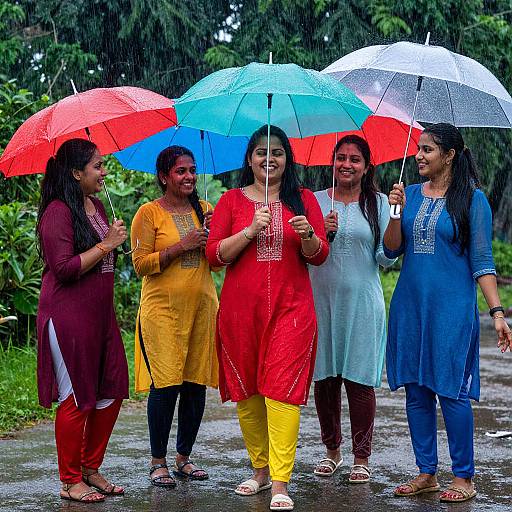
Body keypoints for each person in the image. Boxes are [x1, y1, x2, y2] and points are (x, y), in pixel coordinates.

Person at [384, 123, 512, 503]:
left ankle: (464, 478)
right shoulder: (407, 194)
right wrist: (394, 212)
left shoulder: (473, 200)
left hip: (452, 309)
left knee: (451, 391)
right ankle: (426, 473)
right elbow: (391, 252)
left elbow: (483, 261)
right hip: (410, 306)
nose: (419, 156)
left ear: (450, 155)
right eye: (418, 149)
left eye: (428, 150)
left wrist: (498, 313)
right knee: (416, 391)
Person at [205, 125, 329, 511]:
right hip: (241, 314)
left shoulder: (303, 199)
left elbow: (319, 254)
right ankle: (259, 470)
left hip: (292, 311)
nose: (269, 159)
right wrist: (248, 231)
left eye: (277, 152)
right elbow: (214, 257)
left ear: (287, 159)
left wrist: (308, 233)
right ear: (250, 159)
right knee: (248, 393)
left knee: (281, 392)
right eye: (262, 152)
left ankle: (280, 482)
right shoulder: (230, 202)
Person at [36, 138, 129, 503]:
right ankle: (70, 478)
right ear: (76, 173)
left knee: (111, 391)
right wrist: (107, 244)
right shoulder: (58, 211)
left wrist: (114, 241)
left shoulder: (96, 206)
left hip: (101, 316)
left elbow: (102, 255)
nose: (103, 173)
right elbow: (63, 268)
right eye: (97, 166)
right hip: (68, 314)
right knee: (77, 397)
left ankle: (91, 467)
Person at [309, 135, 396, 483]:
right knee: (325, 378)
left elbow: (386, 257)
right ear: (332, 162)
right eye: (341, 158)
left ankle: (362, 457)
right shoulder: (313, 202)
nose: (347, 164)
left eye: (355, 159)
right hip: (320, 301)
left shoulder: (378, 203)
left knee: (360, 381)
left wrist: (397, 213)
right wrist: (320, 233)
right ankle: (332, 451)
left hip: (362, 302)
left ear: (366, 166)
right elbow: (305, 254)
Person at [130, 146, 218, 488]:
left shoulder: (206, 210)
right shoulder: (148, 214)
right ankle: (157, 461)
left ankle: (183, 458)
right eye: (181, 171)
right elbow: (141, 265)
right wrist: (184, 244)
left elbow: (218, 260)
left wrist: (212, 238)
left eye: (192, 170)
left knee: (195, 385)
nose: (189, 177)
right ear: (165, 176)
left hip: (202, 309)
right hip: (162, 312)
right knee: (166, 386)